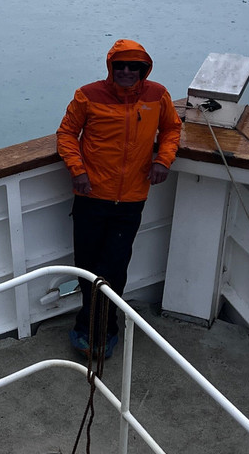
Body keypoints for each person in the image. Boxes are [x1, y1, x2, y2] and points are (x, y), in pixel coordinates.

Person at [56, 39, 182, 358]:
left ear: (144, 69)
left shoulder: (158, 95)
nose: (127, 71)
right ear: (111, 67)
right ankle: (90, 328)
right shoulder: (88, 95)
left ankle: (104, 329)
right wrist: (77, 169)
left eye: (134, 66)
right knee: (87, 267)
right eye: (120, 65)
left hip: (131, 201)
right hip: (90, 197)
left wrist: (162, 160)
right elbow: (67, 134)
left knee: (114, 268)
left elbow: (171, 130)